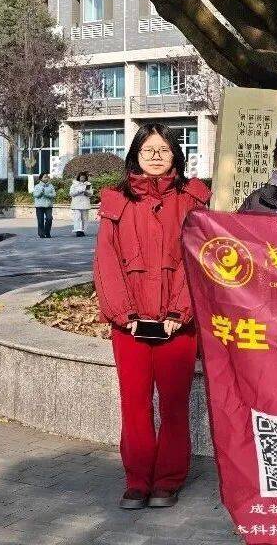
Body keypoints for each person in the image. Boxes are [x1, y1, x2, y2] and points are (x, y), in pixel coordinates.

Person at [93, 123, 211, 511]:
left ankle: (168, 480)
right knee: (135, 404)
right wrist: (123, 313)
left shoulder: (193, 200)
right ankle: (137, 479)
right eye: (148, 150)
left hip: (178, 325)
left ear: (175, 154)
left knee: (174, 406)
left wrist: (181, 310)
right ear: (136, 156)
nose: (156, 156)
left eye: (164, 149)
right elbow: (106, 261)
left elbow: (200, 257)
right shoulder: (116, 202)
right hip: (129, 326)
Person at [69, 171, 93, 236]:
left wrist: (86, 192)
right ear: (79, 177)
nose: (82, 178)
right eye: (81, 177)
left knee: (84, 218)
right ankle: (78, 230)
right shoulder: (74, 184)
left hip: (85, 203)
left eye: (84, 177)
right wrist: (79, 191)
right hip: (76, 203)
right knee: (77, 217)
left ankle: (83, 230)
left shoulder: (88, 184)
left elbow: (90, 193)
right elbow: (71, 193)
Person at [32, 173, 56, 238]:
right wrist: (40, 192)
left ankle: (47, 232)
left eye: (47, 177)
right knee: (40, 220)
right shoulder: (37, 186)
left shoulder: (51, 186)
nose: (46, 178)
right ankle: (41, 234)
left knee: (49, 218)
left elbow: (54, 195)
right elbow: (35, 195)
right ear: (41, 178)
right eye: (45, 177)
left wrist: (46, 194)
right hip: (39, 206)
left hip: (48, 205)